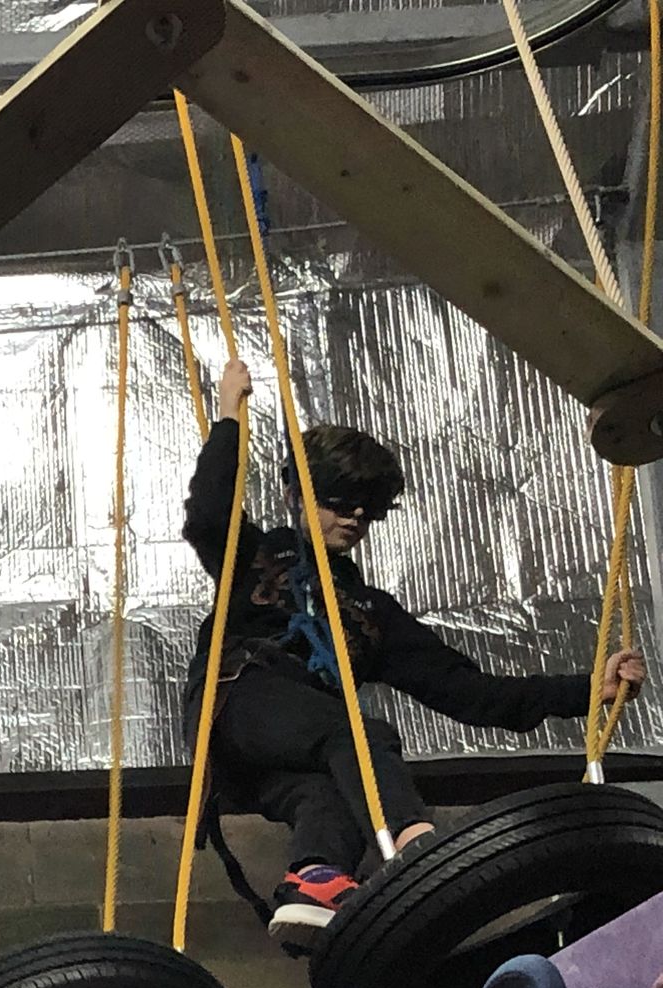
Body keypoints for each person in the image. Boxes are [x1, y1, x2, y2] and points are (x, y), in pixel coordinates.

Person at [183, 359, 646, 948]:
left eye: (366, 510)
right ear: (299, 494)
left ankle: (315, 880)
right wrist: (229, 414)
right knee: (358, 733)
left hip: (287, 750)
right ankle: (414, 841)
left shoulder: (371, 614)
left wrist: (586, 690)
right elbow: (207, 515)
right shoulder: (256, 555)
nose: (353, 518)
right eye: (339, 501)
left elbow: (469, 692)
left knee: (326, 792)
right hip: (239, 699)